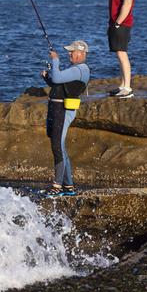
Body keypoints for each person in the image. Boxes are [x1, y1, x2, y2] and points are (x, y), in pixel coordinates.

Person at [40, 41, 90, 196]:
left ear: (81, 53)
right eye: (69, 52)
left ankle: (57, 186)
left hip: (63, 110)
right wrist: (47, 77)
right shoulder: (74, 69)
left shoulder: (81, 69)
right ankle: (69, 186)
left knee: (57, 146)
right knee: (59, 146)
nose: (69, 54)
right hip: (56, 109)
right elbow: (57, 84)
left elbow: (58, 79)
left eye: (72, 52)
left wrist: (55, 60)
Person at [107, 0, 136, 98]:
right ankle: (123, 85)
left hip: (122, 24)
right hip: (115, 24)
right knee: (119, 54)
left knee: (122, 53)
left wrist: (118, 22)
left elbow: (127, 3)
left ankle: (128, 88)